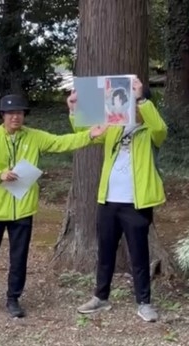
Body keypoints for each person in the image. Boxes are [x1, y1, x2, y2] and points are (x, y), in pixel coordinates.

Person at [0, 94, 108, 318]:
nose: (16, 117)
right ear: (2, 115)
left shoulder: (33, 137)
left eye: (20, 113)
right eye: (11, 113)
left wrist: (89, 135)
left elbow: (60, 142)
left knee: (19, 256)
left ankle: (13, 299)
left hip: (23, 207)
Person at [67, 77, 168, 322]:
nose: (130, 108)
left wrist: (140, 97)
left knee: (139, 253)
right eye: (129, 104)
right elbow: (87, 133)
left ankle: (144, 302)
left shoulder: (149, 131)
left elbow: (161, 130)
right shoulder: (113, 127)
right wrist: (74, 109)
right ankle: (100, 297)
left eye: (134, 104)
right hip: (108, 201)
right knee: (106, 251)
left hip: (137, 203)